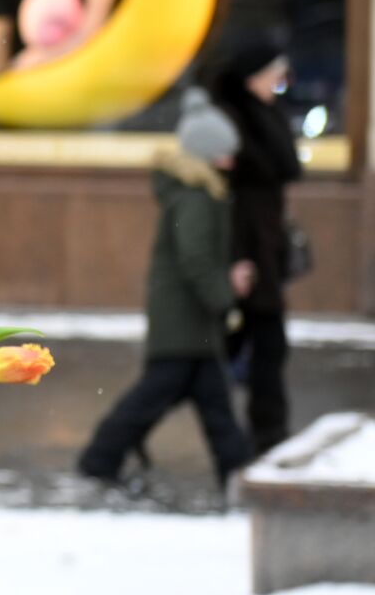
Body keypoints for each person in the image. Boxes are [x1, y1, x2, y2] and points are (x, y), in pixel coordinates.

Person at [78, 87, 252, 492]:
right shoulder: (195, 199)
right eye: (226, 150)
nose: (232, 157)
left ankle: (237, 472)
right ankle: (100, 457)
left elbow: (199, 258)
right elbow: (195, 259)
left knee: (211, 402)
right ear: (207, 154)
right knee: (159, 396)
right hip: (183, 321)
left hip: (190, 323)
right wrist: (224, 296)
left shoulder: (201, 193)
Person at [208, 35, 303, 456]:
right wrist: (236, 259)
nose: (279, 87)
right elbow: (229, 200)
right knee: (233, 349)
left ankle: (266, 432)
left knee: (256, 345)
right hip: (245, 248)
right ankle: (265, 434)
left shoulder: (264, 114)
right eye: (274, 79)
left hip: (264, 244)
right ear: (253, 79)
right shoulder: (233, 121)